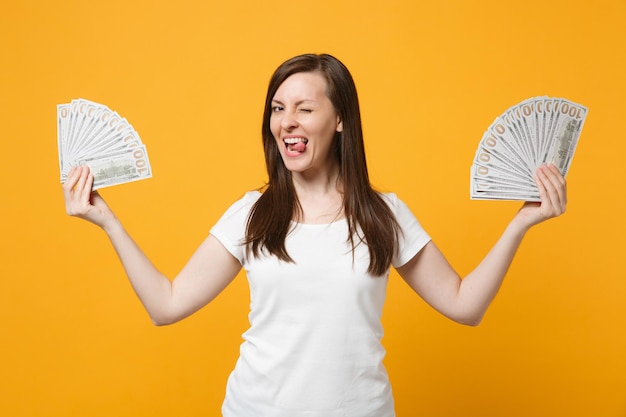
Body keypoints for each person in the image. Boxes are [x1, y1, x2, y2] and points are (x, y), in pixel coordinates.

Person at [62, 53, 567, 417]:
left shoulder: (383, 216)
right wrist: (109, 221)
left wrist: (521, 222)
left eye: (304, 108)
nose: (286, 122)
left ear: (340, 119)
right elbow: (166, 304)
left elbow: (464, 304)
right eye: (278, 109)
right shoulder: (252, 214)